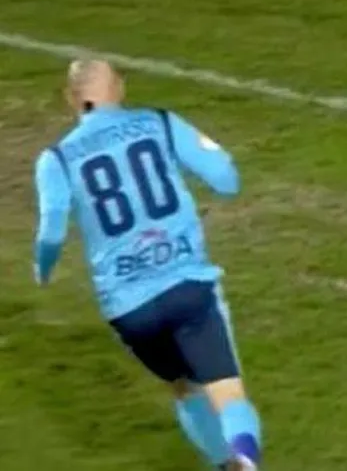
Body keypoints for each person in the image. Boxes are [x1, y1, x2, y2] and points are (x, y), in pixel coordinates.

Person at [33, 59, 263, 469]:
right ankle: (245, 460)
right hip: (187, 286)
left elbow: (51, 233)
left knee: (185, 389)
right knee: (227, 393)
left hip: (130, 309)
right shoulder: (159, 123)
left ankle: (222, 465)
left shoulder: (56, 159)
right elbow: (227, 179)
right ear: (119, 87)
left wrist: (43, 269)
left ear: (71, 98)